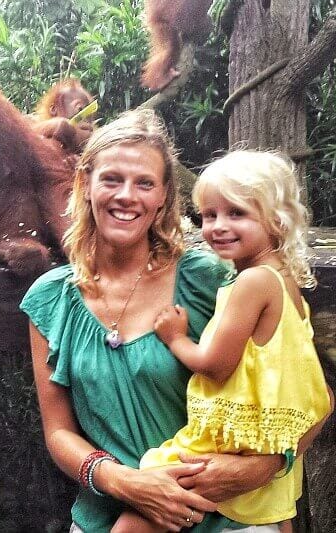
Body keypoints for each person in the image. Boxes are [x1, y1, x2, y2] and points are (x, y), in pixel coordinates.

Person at [20, 109, 330, 533]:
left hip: (226, 516)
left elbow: (311, 395)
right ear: (86, 183)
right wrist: (126, 482)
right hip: (108, 518)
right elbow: (58, 432)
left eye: (144, 183)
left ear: (164, 195)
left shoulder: (213, 279)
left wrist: (263, 468)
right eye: (112, 179)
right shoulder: (50, 299)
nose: (127, 196)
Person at [114, 150, 333, 533]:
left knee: (137, 514)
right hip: (264, 443)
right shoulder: (285, 283)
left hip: (227, 444)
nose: (217, 226)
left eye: (237, 213)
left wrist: (175, 338)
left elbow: (216, 365)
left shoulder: (253, 282)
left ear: (276, 220)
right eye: (209, 215)